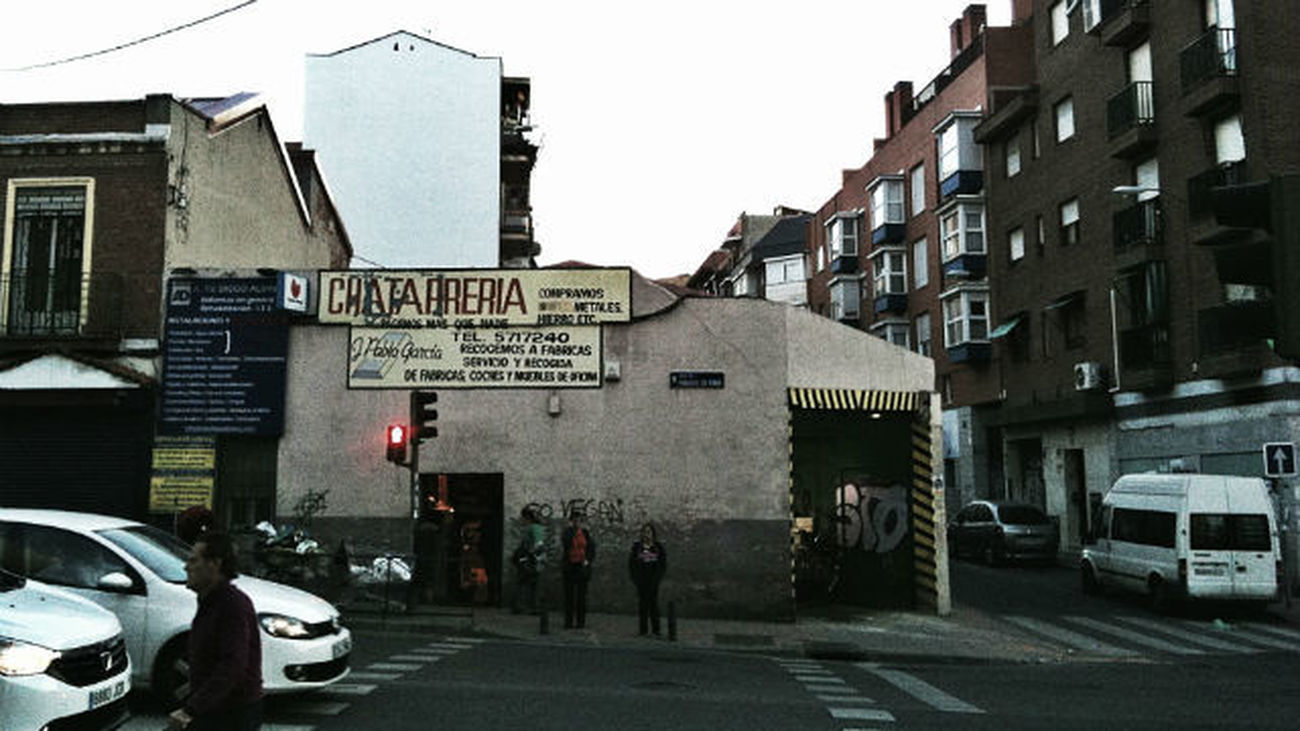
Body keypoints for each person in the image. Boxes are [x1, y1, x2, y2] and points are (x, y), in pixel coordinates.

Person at [168, 532, 262, 731]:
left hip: (231, 715)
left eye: (194, 560)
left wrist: (190, 710)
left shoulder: (232, 604)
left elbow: (232, 665)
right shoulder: (210, 601)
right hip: (215, 709)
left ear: (215, 564)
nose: (186, 567)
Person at [627, 522, 667, 636]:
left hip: (653, 581)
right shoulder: (637, 547)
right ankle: (643, 629)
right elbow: (632, 564)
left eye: (648, 532)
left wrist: (657, 578)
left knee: (654, 605)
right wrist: (635, 578)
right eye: (644, 532)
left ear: (653, 534)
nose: (646, 535)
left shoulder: (658, 548)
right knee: (643, 605)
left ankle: (656, 629)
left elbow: (662, 565)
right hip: (641, 581)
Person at [559, 510, 596, 629]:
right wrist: (575, 533)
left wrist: (588, 560)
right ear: (571, 521)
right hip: (570, 566)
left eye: (579, 520)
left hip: (581, 567)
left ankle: (580, 622)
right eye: (575, 520)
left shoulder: (585, 533)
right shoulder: (567, 533)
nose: (577, 523)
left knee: (581, 597)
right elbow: (566, 544)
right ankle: (568, 622)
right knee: (569, 596)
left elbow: (591, 548)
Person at [512, 507, 545, 614]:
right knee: (532, 584)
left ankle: (526, 607)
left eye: (523, 518)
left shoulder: (533, 528)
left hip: (531, 560)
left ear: (527, 518)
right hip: (534, 559)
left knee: (526, 583)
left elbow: (538, 545)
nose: (521, 520)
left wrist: (533, 558)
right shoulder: (536, 528)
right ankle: (531, 607)